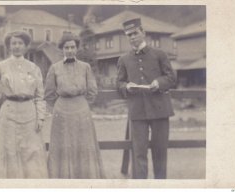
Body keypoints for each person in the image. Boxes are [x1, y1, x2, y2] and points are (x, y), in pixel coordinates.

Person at [0, 31, 48, 178]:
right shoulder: (1, 66)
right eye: (13, 43)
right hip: (9, 113)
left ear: (26, 46)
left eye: (20, 43)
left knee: (31, 152)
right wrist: (1, 96)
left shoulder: (33, 68)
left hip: (30, 113)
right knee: (9, 150)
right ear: (9, 47)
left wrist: (40, 117)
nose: (17, 46)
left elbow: (40, 95)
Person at [116, 18, 176, 179]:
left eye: (135, 33)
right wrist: (126, 86)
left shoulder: (159, 54)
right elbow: (119, 82)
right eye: (129, 35)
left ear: (143, 33)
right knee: (139, 154)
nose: (132, 37)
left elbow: (171, 77)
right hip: (137, 112)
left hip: (160, 110)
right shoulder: (124, 59)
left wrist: (159, 82)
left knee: (160, 153)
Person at [44, 32, 105, 179]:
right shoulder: (55, 68)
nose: (70, 50)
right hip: (61, 112)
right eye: (67, 47)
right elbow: (49, 93)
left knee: (83, 144)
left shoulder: (85, 67)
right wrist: (60, 106)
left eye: (72, 47)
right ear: (62, 49)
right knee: (63, 145)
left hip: (81, 111)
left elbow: (92, 91)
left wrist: (82, 104)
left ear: (76, 48)